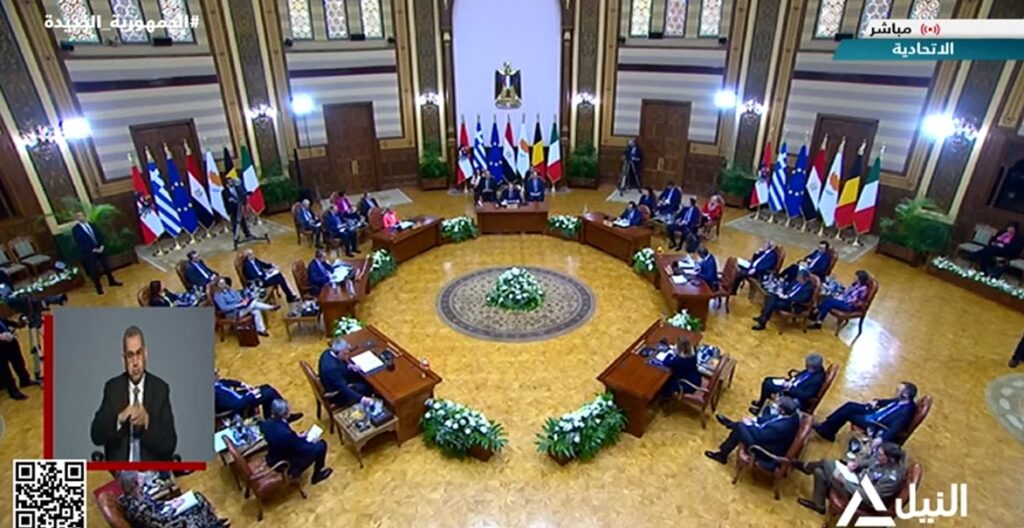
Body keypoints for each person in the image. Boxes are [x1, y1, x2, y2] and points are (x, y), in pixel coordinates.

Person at [90, 326, 177, 462]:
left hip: (150, 471)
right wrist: (119, 419)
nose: (135, 362)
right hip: (120, 471)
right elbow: (96, 436)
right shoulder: (113, 388)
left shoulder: (160, 389)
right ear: (123, 359)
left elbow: (170, 444)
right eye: (130, 355)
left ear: (145, 354)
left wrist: (147, 421)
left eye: (139, 353)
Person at [794, 442, 907, 515]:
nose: (877, 456)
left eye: (880, 455)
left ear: (890, 459)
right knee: (819, 471)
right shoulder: (886, 460)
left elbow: (871, 497)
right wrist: (857, 464)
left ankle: (806, 467)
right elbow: (872, 462)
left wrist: (844, 481)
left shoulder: (891, 479)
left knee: (826, 463)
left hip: (860, 498)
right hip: (857, 480)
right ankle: (819, 505)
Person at [704, 396, 801, 466]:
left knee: (740, 427)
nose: (775, 406)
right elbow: (772, 419)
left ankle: (729, 426)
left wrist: (750, 425)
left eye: (777, 406)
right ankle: (722, 454)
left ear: (782, 411)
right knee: (739, 430)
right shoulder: (792, 415)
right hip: (767, 438)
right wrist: (755, 420)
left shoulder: (780, 427)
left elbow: (760, 436)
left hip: (764, 449)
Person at [814, 382, 918, 443]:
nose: (895, 391)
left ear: (905, 395)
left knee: (849, 413)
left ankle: (827, 430)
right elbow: (887, 402)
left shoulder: (905, 412)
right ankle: (827, 428)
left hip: (875, 424)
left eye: (898, 390)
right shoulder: (901, 400)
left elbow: (894, 429)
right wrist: (877, 401)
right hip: (874, 412)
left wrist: (881, 439)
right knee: (850, 405)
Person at [260, 399, 334, 485]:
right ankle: (317, 476)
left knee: (305, 440)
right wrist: (312, 442)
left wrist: (296, 436)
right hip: (286, 462)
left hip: (274, 455)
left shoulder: (267, 423)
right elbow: (303, 449)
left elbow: (283, 437)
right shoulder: (286, 434)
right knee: (321, 445)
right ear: (285, 414)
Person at [117, 470, 228, 528]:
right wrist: (174, 507)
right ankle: (212, 525)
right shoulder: (139, 508)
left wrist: (170, 502)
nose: (142, 477)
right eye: (139, 478)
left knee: (197, 497)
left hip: (161, 515)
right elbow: (160, 524)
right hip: (167, 523)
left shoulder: (133, 495)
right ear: (135, 483)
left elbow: (154, 506)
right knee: (195, 507)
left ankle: (214, 523)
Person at [750, 353, 826, 414]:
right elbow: (802, 376)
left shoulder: (816, 380)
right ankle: (761, 402)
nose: (806, 367)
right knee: (767, 379)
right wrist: (791, 380)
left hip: (794, 395)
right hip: (792, 384)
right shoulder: (815, 369)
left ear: (813, 367)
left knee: (768, 384)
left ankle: (760, 407)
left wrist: (790, 388)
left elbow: (805, 396)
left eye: (807, 366)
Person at [214, 370, 302, 422]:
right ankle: (281, 416)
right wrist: (251, 395)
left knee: (266, 387)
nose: (218, 373)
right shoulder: (215, 394)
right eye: (215, 373)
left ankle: (274, 416)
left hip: (241, 396)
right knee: (269, 393)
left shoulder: (215, 383)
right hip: (241, 403)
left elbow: (226, 382)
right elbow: (236, 405)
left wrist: (242, 384)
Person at [71, 212, 123, 295]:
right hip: (89, 252)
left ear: (84, 216)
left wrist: (101, 245)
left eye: (82, 215)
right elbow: (80, 243)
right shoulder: (76, 229)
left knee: (106, 266)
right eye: (78, 216)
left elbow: (99, 235)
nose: (81, 217)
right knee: (94, 271)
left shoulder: (92, 224)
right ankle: (99, 288)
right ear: (76, 219)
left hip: (100, 249)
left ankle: (112, 281)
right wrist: (92, 249)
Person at [318, 337, 375, 408]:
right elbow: (343, 389)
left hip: (339, 377)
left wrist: (349, 365)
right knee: (367, 386)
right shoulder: (332, 369)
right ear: (338, 352)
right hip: (337, 394)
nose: (347, 356)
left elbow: (341, 361)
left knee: (361, 375)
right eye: (345, 354)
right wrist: (362, 399)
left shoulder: (327, 352)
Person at [212, 277, 277, 337]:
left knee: (255, 310)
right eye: (221, 284)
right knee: (253, 304)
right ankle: (270, 307)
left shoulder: (230, 289)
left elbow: (238, 295)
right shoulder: (218, 296)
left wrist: (243, 301)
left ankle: (261, 330)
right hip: (233, 313)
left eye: (224, 282)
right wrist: (237, 305)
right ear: (217, 286)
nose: (223, 285)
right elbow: (224, 308)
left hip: (241, 307)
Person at [0, 316, 36, 401]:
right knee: (5, 369)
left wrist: (19, 324)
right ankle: (13, 391)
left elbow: (5, 321)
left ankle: (25, 380)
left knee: (19, 362)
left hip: (9, 340)